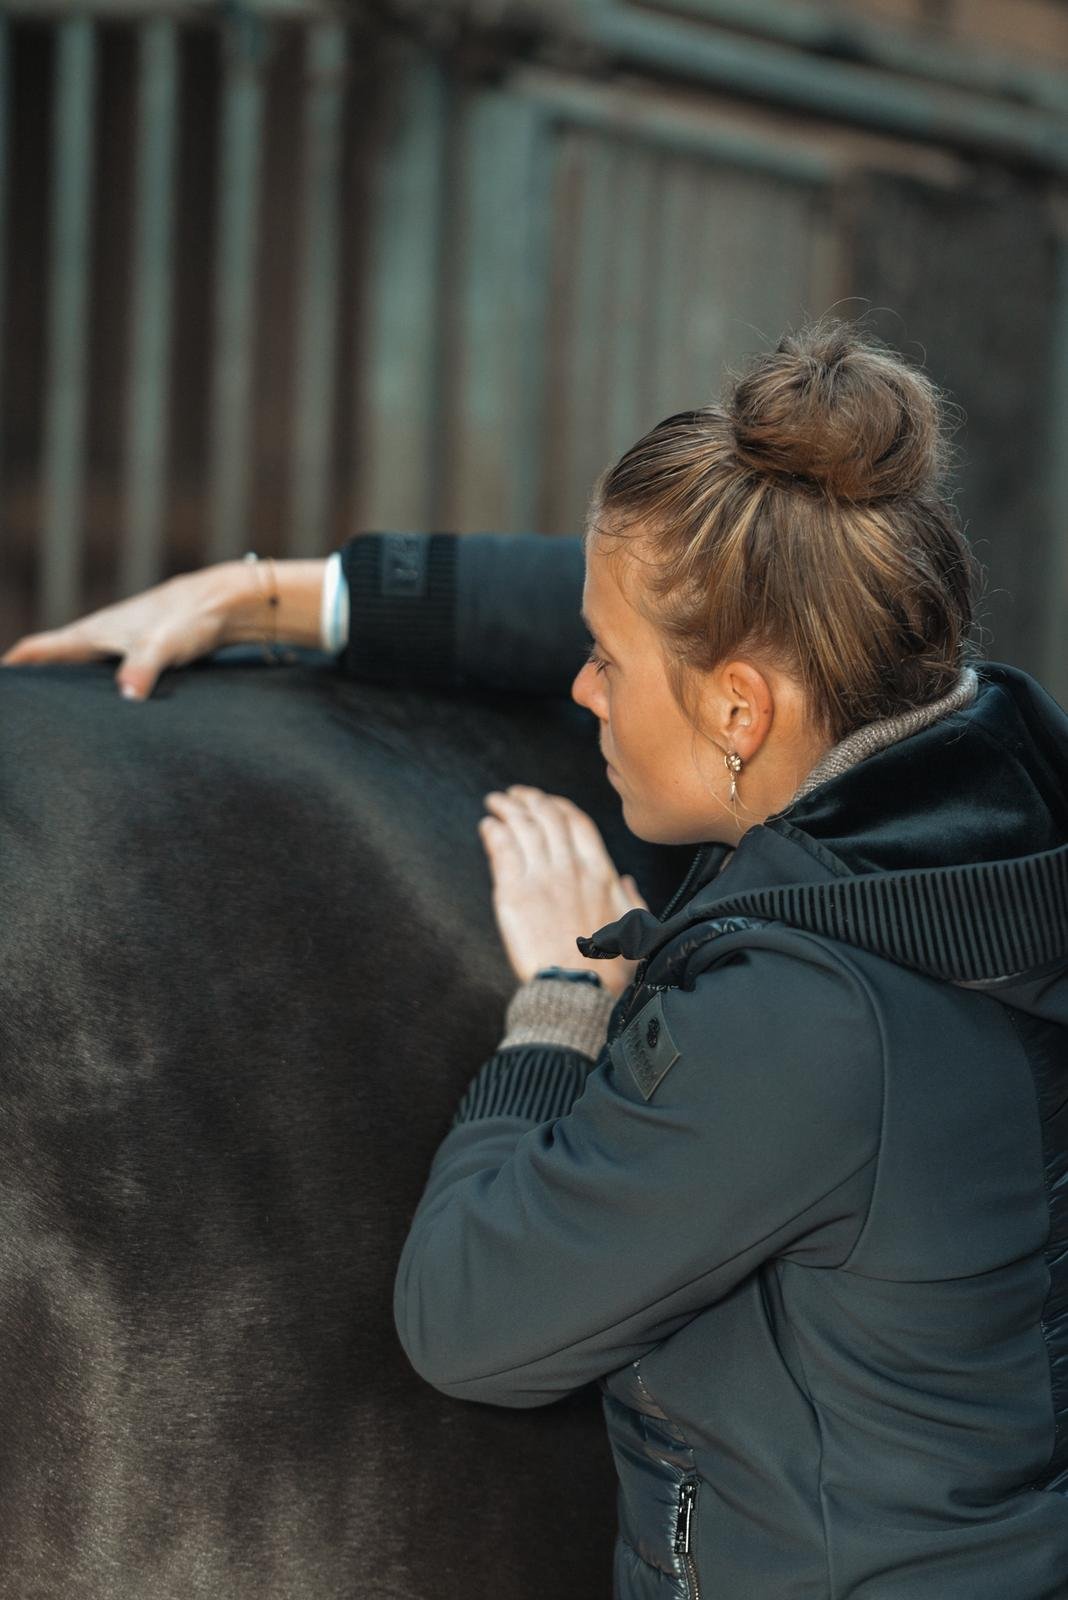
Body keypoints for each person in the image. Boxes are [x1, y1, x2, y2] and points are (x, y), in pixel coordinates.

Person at [5, 315, 1068, 1598]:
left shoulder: (803, 1030)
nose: (580, 691)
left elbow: (470, 1324)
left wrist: (561, 1008)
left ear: (740, 706)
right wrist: (292, 596)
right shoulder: (998, 769)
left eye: (605, 664)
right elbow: (645, 611)